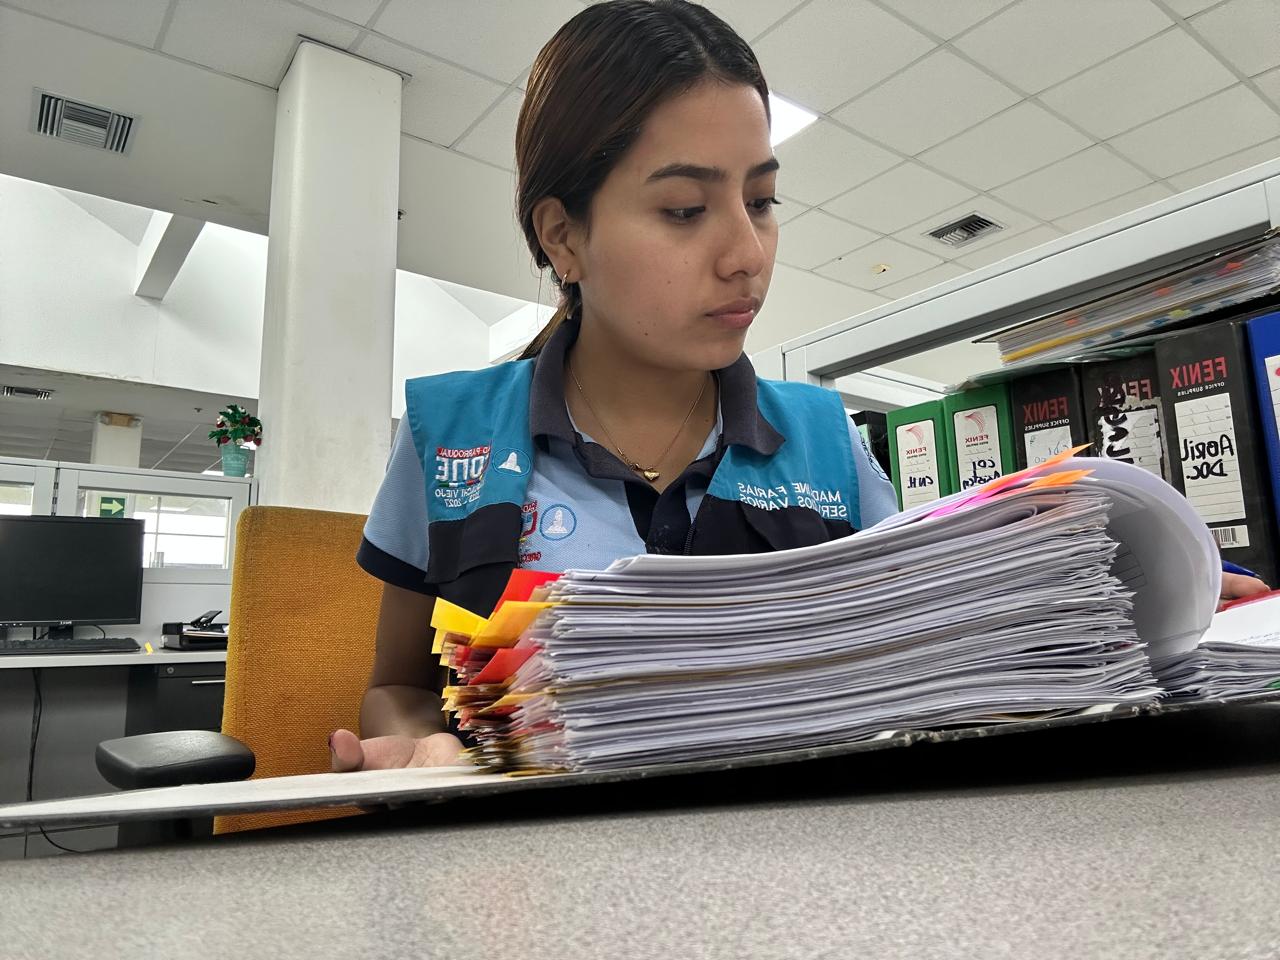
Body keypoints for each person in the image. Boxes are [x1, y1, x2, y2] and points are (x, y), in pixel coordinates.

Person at [330, 0, 1268, 775]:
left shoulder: (827, 440)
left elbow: (922, 655)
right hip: (534, 882)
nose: (747, 252)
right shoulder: (450, 433)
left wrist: (1099, 598)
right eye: (685, 209)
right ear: (563, 236)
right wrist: (418, 749)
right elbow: (400, 687)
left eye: (762, 200)